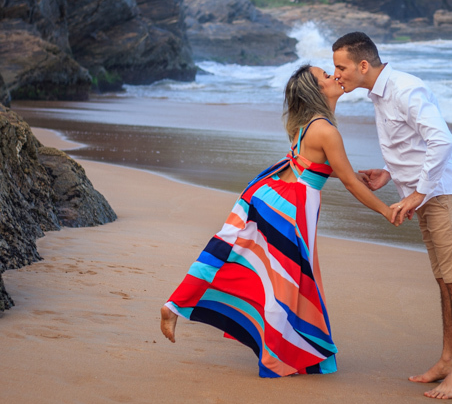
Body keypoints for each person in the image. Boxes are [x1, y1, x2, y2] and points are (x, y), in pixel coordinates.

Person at [159, 65, 395, 377]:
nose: (334, 76)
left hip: (275, 197)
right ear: (316, 90)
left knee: (235, 255)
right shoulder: (325, 130)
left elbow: (315, 167)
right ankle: (277, 355)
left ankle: (178, 305)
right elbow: (349, 183)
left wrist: (356, 175)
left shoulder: (308, 124)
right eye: (326, 75)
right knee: (284, 281)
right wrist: (386, 210)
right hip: (290, 208)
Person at [332, 31, 452, 400]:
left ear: (363, 65)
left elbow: (442, 141)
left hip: (443, 192)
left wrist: (417, 192)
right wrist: (390, 173)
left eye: (341, 67)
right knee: (444, 280)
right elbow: (412, 144)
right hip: (427, 195)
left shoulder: (405, 88)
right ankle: (448, 360)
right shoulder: (381, 93)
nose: (337, 75)